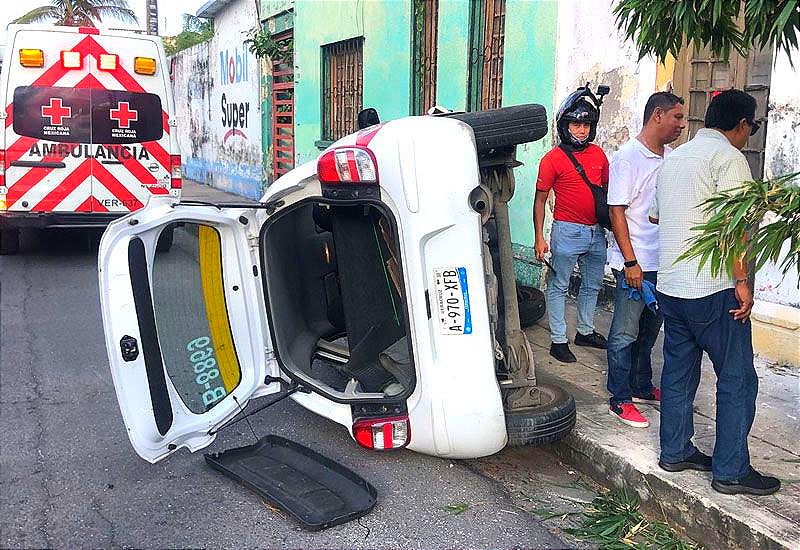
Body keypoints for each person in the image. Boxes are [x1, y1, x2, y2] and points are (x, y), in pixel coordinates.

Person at [650, 89, 780, 495]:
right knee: (737, 379)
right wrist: (742, 281)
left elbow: (657, 215)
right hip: (713, 289)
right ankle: (731, 470)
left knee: (677, 372)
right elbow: (737, 226)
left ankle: (674, 451)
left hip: (671, 286)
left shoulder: (676, 160)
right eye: (752, 127)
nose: (749, 135)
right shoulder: (729, 159)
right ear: (742, 124)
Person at [606, 92, 686, 428]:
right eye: (677, 117)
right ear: (657, 115)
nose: (682, 125)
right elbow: (616, 210)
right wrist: (630, 262)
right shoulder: (628, 157)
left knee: (650, 330)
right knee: (625, 332)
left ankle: (640, 385)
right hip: (634, 261)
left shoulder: (671, 157)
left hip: (661, 261)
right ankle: (620, 399)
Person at [534, 89, 609, 363]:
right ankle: (558, 339)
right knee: (559, 285)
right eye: (576, 124)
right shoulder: (552, 159)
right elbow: (540, 200)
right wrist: (539, 238)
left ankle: (585, 330)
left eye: (586, 125)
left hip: (596, 232)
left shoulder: (599, 155)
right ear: (565, 126)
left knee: (592, 285)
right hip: (567, 230)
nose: (581, 130)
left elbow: (608, 191)